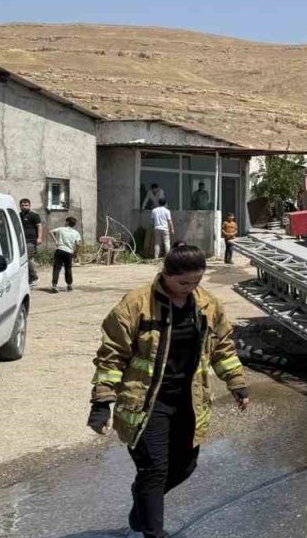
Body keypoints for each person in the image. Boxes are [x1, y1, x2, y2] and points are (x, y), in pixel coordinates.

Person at [87, 245, 250, 538]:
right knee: (155, 468)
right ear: (165, 274)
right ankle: (154, 531)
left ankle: (143, 500)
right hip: (147, 402)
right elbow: (111, 356)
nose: (190, 288)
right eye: (183, 282)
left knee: (186, 465)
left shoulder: (207, 305)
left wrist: (236, 383)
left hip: (189, 401)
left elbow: (223, 348)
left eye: (196, 281)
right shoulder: (136, 304)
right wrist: (102, 402)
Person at [50, 217, 82, 294]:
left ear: (67, 222)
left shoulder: (61, 229)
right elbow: (79, 244)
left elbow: (50, 232)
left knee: (57, 268)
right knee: (68, 268)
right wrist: (76, 252)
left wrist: (56, 241)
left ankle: (54, 285)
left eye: (65, 221)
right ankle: (69, 285)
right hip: (69, 252)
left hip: (60, 250)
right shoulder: (76, 233)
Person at [19, 199, 43, 287]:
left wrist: (39, 238)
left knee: (26, 258)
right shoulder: (19, 215)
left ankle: (34, 278)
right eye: (22, 205)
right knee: (23, 259)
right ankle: (27, 278)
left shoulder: (34, 215)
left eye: (26, 205)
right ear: (20, 206)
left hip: (31, 241)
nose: (24, 207)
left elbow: (39, 226)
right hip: (21, 241)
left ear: (29, 206)